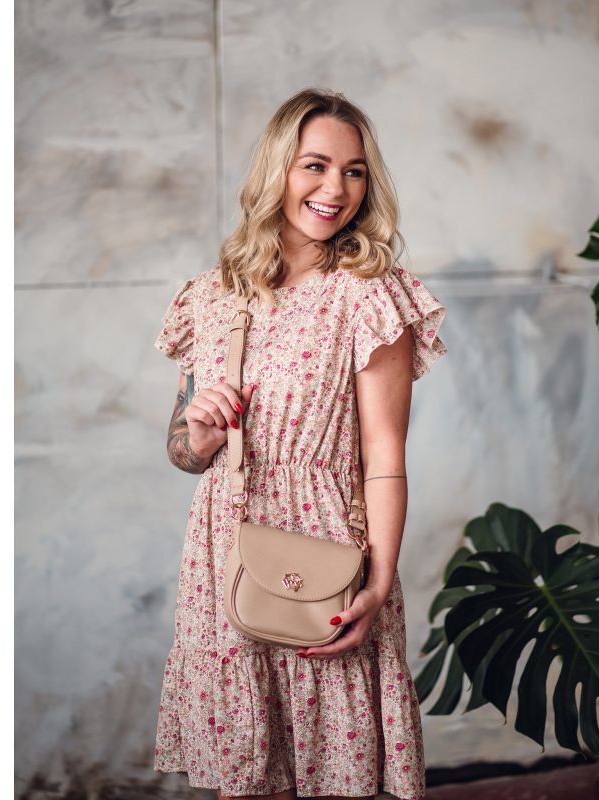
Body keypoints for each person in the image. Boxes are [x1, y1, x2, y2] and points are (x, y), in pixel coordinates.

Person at [152, 88, 448, 800]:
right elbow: (182, 450)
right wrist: (199, 434)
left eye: (354, 172)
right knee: (246, 778)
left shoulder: (369, 295)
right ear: (277, 170)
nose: (335, 189)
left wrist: (377, 583)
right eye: (315, 165)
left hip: (323, 549)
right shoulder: (211, 296)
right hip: (223, 549)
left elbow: (384, 458)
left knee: (331, 773)